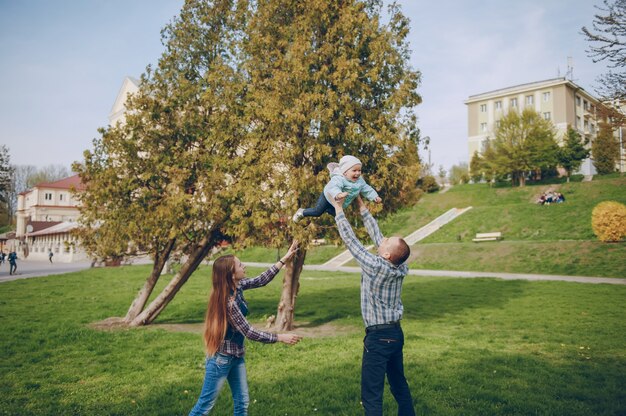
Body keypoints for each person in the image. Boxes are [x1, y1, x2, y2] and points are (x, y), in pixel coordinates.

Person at [188, 241, 303, 416]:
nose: (244, 266)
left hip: (236, 356)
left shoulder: (237, 286)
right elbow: (249, 332)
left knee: (242, 404)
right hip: (221, 360)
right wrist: (280, 337)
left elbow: (261, 280)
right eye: (240, 265)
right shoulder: (229, 302)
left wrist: (285, 258)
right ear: (231, 274)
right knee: (204, 407)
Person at [330, 195, 415, 416]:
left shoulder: (376, 266)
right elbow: (379, 236)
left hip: (378, 339)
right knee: (399, 385)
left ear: (386, 254)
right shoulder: (399, 266)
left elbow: (351, 242)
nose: (383, 238)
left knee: (372, 394)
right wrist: (360, 203)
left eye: (387, 241)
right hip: (396, 334)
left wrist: (338, 208)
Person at [292, 155, 382, 222]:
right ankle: (302, 212)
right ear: (345, 172)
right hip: (328, 197)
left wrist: (374, 197)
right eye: (354, 171)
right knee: (317, 212)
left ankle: (330, 213)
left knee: (340, 219)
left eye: (359, 170)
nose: (358, 173)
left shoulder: (359, 181)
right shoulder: (339, 178)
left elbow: (366, 188)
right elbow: (334, 187)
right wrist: (338, 194)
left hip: (338, 204)